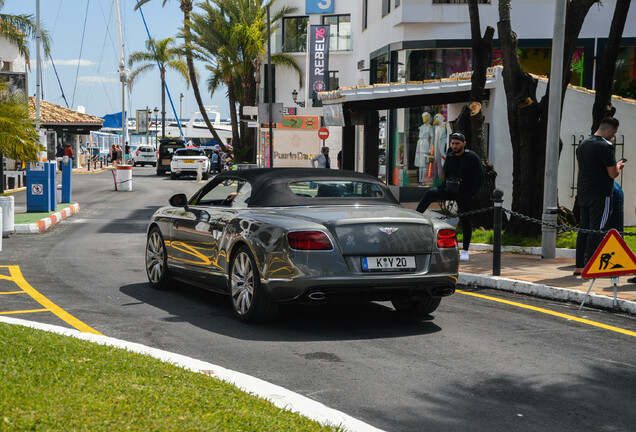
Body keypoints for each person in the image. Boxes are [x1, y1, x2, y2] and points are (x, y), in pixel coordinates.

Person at [416, 132, 484, 261]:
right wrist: (444, 185)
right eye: (452, 143)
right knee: (430, 193)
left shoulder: (472, 157)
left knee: (465, 220)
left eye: (457, 143)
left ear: (464, 144)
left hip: (464, 192)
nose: (454, 146)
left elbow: (480, 177)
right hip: (449, 188)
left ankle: (465, 250)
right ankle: (416, 216)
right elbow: (446, 171)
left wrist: (471, 192)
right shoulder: (450, 155)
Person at [574, 117, 625, 275]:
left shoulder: (583, 144)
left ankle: (579, 266)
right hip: (601, 194)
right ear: (610, 130)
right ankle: (590, 266)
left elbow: (580, 169)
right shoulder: (606, 146)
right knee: (598, 229)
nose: (613, 136)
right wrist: (619, 165)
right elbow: (612, 174)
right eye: (614, 133)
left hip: (583, 191)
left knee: (584, 228)